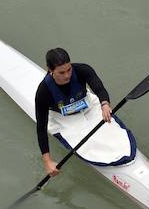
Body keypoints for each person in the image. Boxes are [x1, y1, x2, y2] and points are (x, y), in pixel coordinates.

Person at [35, 47, 112, 177]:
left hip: (88, 106)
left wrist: (105, 104)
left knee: (110, 131)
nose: (67, 75)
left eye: (69, 69)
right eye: (61, 72)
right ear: (50, 70)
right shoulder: (43, 91)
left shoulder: (83, 70)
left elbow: (99, 89)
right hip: (63, 118)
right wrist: (47, 161)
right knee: (89, 145)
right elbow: (41, 127)